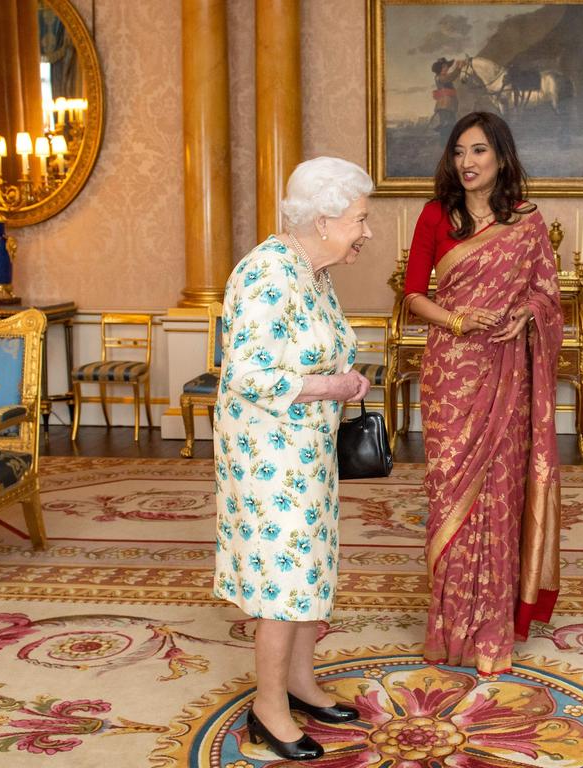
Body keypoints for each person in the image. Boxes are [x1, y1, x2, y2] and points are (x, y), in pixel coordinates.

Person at [213, 156, 374, 761]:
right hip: (270, 457)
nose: (365, 232)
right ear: (328, 218)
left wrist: (340, 379)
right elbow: (247, 374)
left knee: (309, 569)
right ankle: (268, 706)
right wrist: (334, 387)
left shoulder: (312, 270)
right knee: (283, 580)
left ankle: (301, 684)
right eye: (360, 219)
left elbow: (311, 351)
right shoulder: (269, 272)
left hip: (307, 453)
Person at [404, 111, 564, 675]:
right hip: (451, 371)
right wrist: (456, 321)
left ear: (501, 157)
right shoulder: (434, 216)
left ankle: (492, 627)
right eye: (458, 152)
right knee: (449, 491)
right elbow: (413, 296)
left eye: (478, 151)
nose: (467, 163)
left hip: (507, 372)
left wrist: (526, 314)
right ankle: (447, 624)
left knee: (501, 490)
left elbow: (548, 295)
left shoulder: (526, 223)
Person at [431, 57, 462, 143]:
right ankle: (445, 144)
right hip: (445, 104)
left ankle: (447, 142)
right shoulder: (441, 77)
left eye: (447, 67)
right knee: (447, 125)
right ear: (440, 69)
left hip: (447, 105)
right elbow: (451, 77)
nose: (447, 68)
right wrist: (458, 68)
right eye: (445, 67)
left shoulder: (440, 77)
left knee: (449, 124)